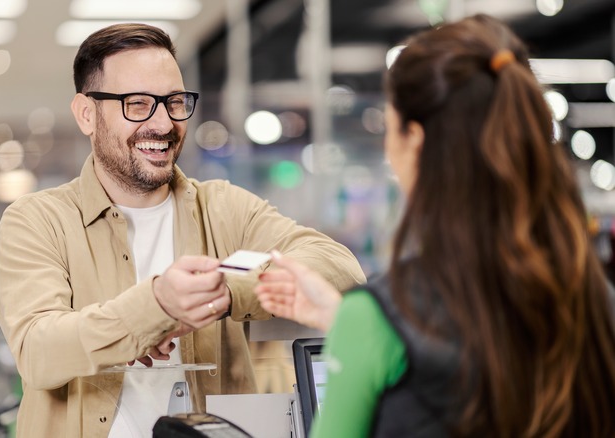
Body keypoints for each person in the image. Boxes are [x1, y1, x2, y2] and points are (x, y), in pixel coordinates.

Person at [0, 22, 365, 438]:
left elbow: (339, 267)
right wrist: (155, 308)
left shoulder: (223, 207)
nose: (164, 123)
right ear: (86, 114)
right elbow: (38, 350)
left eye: (173, 101)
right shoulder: (38, 220)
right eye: (137, 104)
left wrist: (229, 292)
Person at [255, 14, 615, 438]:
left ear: (416, 141)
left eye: (390, 128)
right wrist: (350, 325)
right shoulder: (592, 298)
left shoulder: (378, 318)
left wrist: (363, 330)